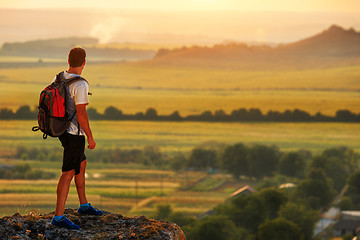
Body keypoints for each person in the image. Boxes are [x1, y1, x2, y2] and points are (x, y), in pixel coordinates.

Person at [51, 47, 102, 230]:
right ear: (85, 62)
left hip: (62, 130)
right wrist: (90, 137)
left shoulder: (59, 77)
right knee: (68, 173)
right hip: (74, 133)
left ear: (68, 60)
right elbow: (81, 113)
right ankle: (58, 217)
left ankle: (84, 205)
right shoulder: (80, 84)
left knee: (81, 163)